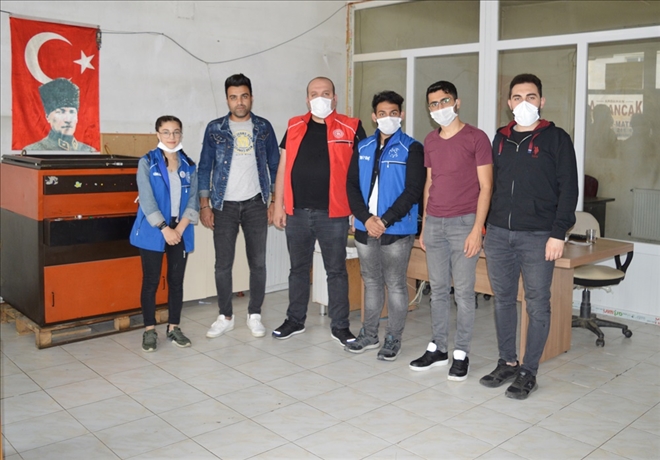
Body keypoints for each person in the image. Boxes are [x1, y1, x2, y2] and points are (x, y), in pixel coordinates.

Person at [480, 73, 578, 399]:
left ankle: (529, 370)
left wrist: (558, 233)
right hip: (498, 234)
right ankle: (507, 361)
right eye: (518, 97)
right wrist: (485, 226)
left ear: (542, 101)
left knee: (537, 304)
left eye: (531, 97)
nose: (524, 102)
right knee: (503, 300)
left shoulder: (556, 138)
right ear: (509, 103)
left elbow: (569, 189)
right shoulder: (500, 138)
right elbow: (490, 185)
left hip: (538, 236)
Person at [408, 81, 493, 381]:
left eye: (444, 101)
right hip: (435, 224)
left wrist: (477, 229)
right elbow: (430, 183)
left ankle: (461, 353)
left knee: (465, 294)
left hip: (464, 224)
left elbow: (486, 187)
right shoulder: (430, 140)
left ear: (457, 102)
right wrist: (425, 226)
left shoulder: (476, 138)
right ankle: (439, 348)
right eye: (433, 104)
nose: (439, 108)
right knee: (438, 291)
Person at [271, 76, 366, 344]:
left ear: (335, 98)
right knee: (298, 270)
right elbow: (283, 167)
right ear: (307, 99)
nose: (320, 98)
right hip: (297, 211)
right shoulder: (294, 125)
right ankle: (295, 320)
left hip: (334, 213)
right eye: (314, 94)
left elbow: (361, 171)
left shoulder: (351, 126)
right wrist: (278, 205)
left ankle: (340, 325)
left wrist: (357, 212)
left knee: (336, 271)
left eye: (325, 93)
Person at [345, 90, 425, 360]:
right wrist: (366, 218)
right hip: (365, 227)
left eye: (393, 113)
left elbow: (413, 190)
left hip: (397, 229)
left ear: (401, 115)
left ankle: (393, 338)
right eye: (382, 113)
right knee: (371, 282)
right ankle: (369, 335)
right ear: (374, 116)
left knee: (396, 284)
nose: (387, 117)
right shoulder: (363, 147)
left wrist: (385, 220)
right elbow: (351, 186)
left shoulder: (412, 148)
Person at [198, 73, 280, 339]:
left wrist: (274, 202)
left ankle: (254, 314)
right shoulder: (215, 129)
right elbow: (204, 167)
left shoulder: (264, 127)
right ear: (227, 100)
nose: (239, 102)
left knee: (258, 263)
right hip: (224, 206)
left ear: (251, 97)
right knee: (223, 264)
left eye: (244, 96)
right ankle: (225, 316)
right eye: (234, 97)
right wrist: (204, 205)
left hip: (256, 204)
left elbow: (275, 167)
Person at [129, 115, 199, 352]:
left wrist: (179, 228)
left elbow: (193, 200)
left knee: (176, 281)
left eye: (176, 132)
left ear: (181, 134)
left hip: (180, 230)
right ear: (158, 134)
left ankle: (173, 327)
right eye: (166, 132)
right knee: (151, 281)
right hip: (154, 229)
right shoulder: (147, 162)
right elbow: (147, 199)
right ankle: (149, 330)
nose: (172, 136)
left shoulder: (189, 164)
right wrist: (164, 228)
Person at [24, 78, 95, 151]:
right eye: (61, 112)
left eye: (72, 112)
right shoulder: (33, 150)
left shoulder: (89, 151)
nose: (68, 120)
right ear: (47, 117)